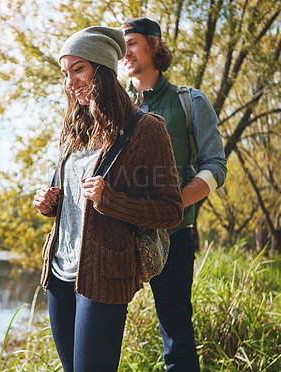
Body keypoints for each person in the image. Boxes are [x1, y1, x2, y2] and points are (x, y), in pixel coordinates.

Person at [33, 26, 184, 372]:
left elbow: (171, 210)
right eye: (65, 72)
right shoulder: (74, 129)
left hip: (105, 274)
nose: (70, 81)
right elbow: (70, 197)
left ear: (101, 68)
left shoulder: (147, 128)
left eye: (79, 69)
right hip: (59, 272)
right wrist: (50, 202)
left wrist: (112, 200)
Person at [120, 17, 228, 372]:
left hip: (175, 234)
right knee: (101, 328)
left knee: (177, 335)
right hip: (117, 235)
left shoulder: (190, 102)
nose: (126, 51)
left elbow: (215, 167)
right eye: (123, 45)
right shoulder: (114, 105)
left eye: (133, 42)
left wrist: (169, 206)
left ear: (154, 44)